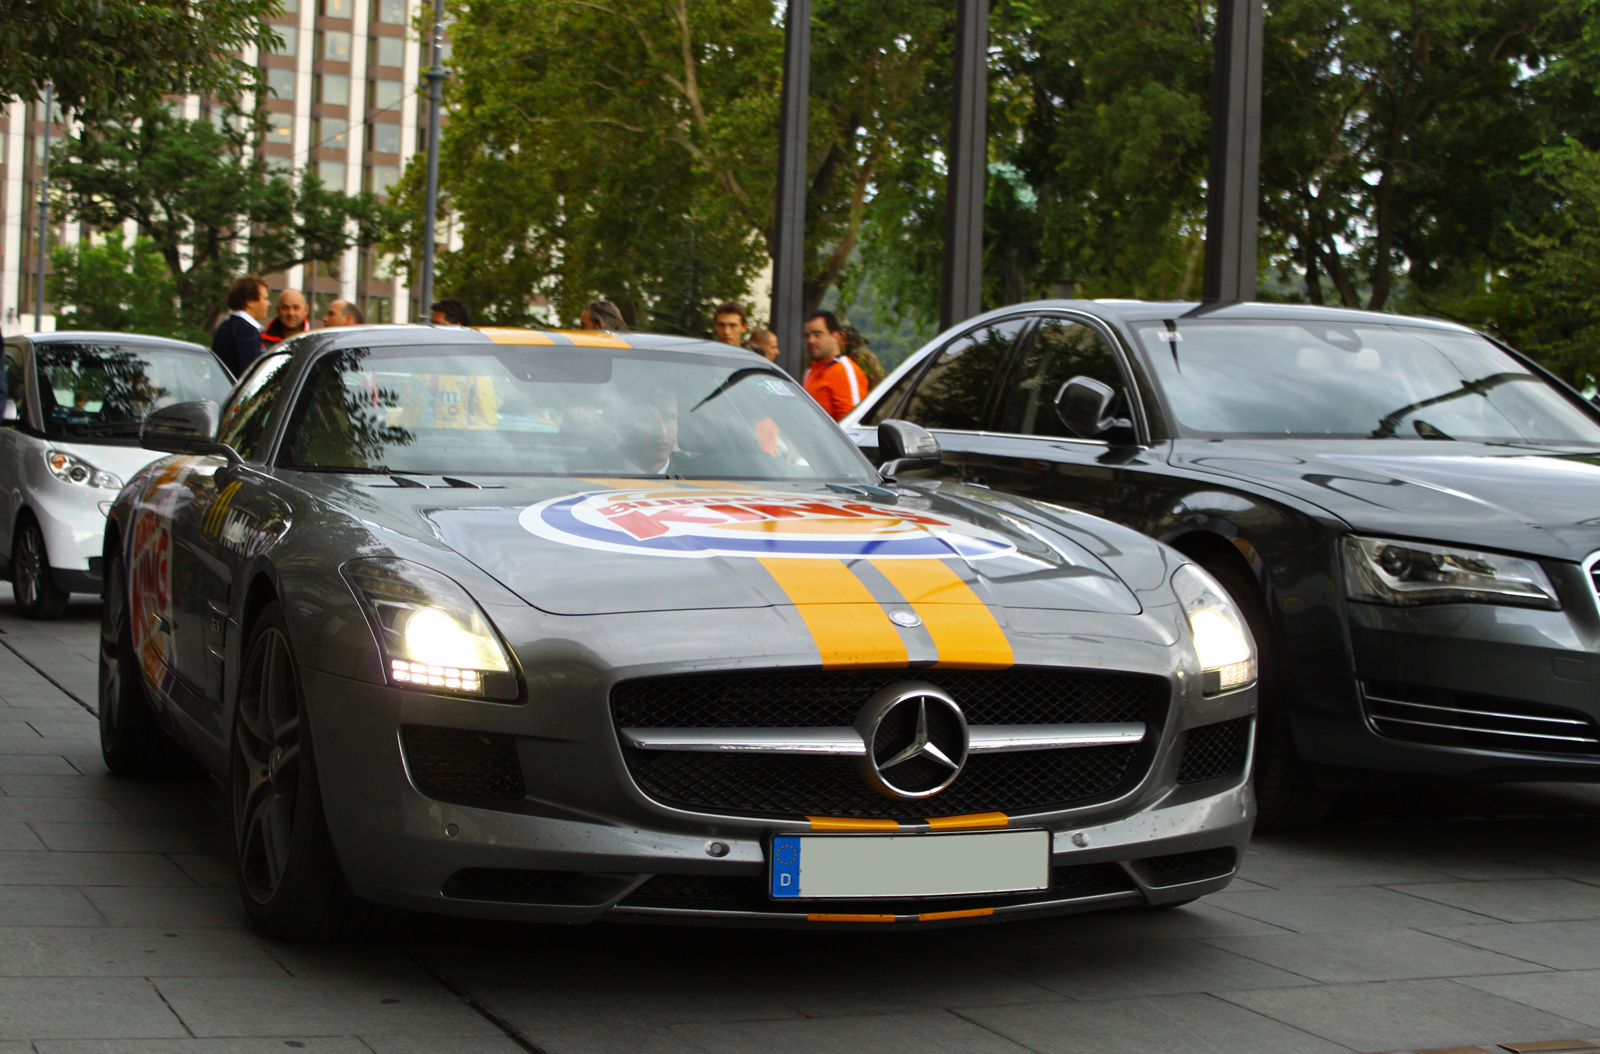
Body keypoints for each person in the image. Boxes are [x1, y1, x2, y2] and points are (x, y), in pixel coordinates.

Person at [802, 310, 869, 421]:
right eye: (807, 335)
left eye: (818, 335)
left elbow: (852, 423)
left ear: (836, 337)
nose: (811, 340)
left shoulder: (844, 370)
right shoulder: (811, 371)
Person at [212, 275, 270, 376]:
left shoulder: (225, 325)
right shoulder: (247, 331)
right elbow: (251, 376)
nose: (268, 303)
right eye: (265, 299)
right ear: (250, 302)